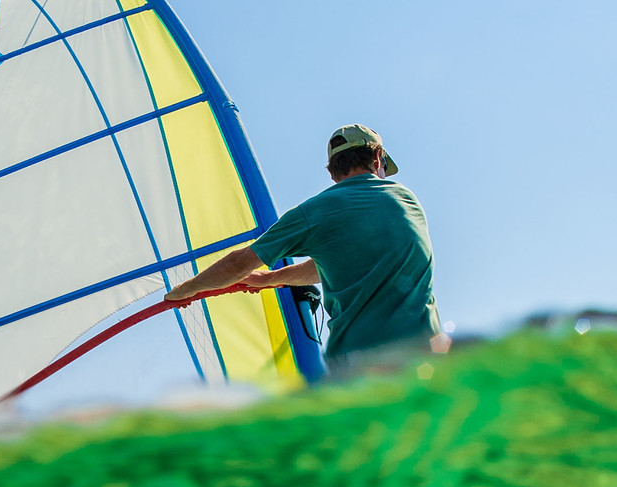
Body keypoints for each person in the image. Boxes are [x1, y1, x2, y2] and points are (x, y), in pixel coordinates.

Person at [167, 123, 446, 371]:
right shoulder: (405, 199)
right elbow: (343, 260)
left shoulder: (314, 212)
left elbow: (239, 264)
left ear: (332, 172)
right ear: (376, 158)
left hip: (360, 362)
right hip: (428, 354)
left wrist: (187, 288)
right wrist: (270, 279)